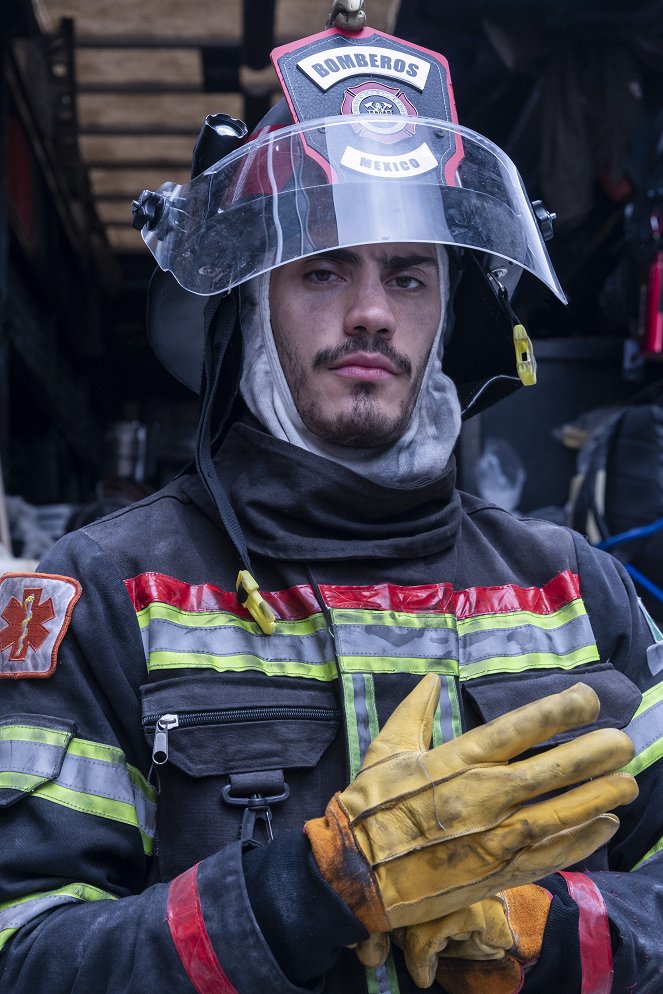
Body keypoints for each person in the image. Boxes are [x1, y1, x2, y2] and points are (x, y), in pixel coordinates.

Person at [0, 6, 662, 994]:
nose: (370, 311)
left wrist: (549, 929)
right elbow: (29, 954)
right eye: (322, 268)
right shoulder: (102, 598)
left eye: (408, 274)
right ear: (249, 305)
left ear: (449, 314)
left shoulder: (582, 590)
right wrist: (296, 896)